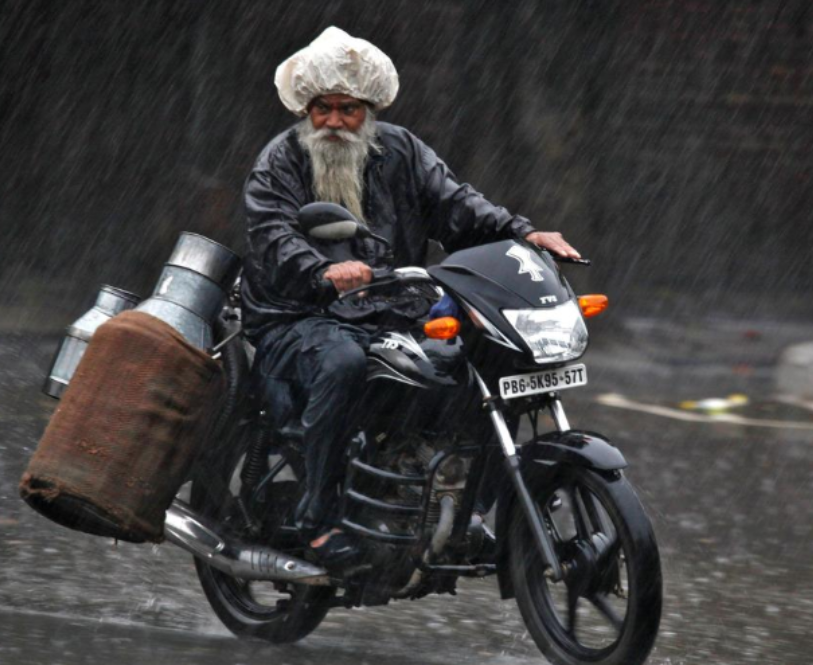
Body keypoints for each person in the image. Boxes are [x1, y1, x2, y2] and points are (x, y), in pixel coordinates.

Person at [240, 27, 579, 566]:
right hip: (297, 316)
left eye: (347, 109)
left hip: (393, 311)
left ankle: (466, 510)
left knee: (494, 351)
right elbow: (274, 236)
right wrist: (323, 271)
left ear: (368, 108)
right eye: (321, 109)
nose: (332, 122)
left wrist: (522, 234)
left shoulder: (402, 151)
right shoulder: (279, 162)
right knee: (343, 361)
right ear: (305, 109)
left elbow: (458, 206)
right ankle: (319, 521)